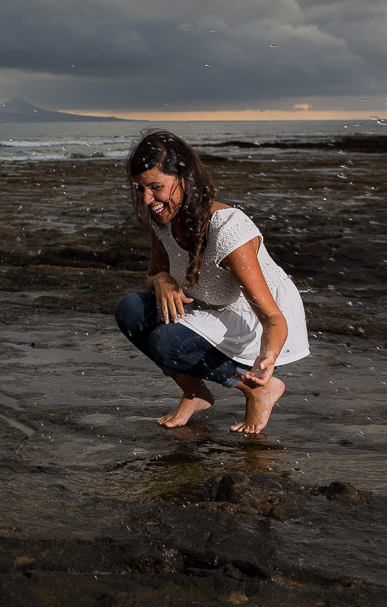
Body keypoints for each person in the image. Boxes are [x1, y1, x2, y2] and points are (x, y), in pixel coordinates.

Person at [114, 130, 308, 434]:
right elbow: (153, 275)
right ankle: (195, 393)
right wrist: (161, 279)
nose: (147, 199)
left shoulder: (227, 230)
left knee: (166, 342)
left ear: (184, 179)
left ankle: (256, 389)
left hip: (251, 317)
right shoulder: (163, 218)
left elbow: (272, 317)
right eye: (140, 189)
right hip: (207, 305)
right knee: (130, 309)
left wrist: (268, 357)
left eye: (155, 187)